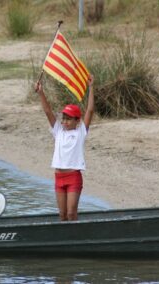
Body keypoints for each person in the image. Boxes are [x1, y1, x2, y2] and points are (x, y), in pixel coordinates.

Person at [35, 75, 94, 221]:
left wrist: (91, 87)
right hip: (59, 177)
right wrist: (40, 92)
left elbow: (90, 111)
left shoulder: (80, 132)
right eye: (64, 118)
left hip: (73, 177)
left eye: (69, 119)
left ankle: (76, 240)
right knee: (62, 215)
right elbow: (48, 112)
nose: (65, 122)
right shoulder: (58, 131)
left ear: (77, 120)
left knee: (71, 214)